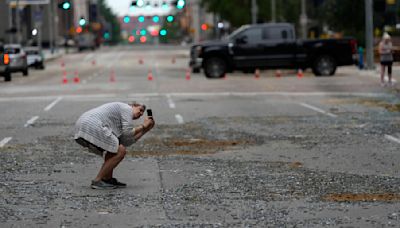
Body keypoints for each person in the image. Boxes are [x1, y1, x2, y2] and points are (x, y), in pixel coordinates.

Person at [74, 102, 155, 189]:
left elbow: (125, 141)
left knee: (117, 149)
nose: (141, 113)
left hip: (85, 123)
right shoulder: (127, 108)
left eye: (143, 113)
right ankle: (97, 181)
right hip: (91, 123)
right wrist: (143, 126)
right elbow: (128, 133)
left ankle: (107, 179)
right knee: (120, 151)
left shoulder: (120, 117)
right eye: (140, 110)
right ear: (133, 106)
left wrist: (146, 129)